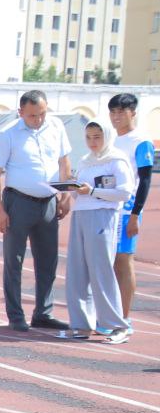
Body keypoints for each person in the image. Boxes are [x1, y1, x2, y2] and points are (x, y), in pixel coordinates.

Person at [0, 89, 73, 331]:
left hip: (48, 202)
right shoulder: (7, 135)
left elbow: (64, 162)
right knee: (14, 260)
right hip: (18, 202)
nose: (39, 120)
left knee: (48, 260)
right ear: (21, 112)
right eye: (33, 115)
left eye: (43, 114)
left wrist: (66, 194)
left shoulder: (56, 127)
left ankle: (43, 313)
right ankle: (16, 315)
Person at [58, 120, 133, 343]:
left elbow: (125, 192)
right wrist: (71, 187)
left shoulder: (116, 160)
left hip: (102, 216)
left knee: (101, 271)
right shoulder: (84, 161)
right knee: (77, 271)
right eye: (89, 137)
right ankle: (81, 325)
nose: (93, 142)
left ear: (107, 136)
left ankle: (117, 326)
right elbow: (80, 192)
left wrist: (93, 191)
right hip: (81, 215)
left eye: (97, 137)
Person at [107, 92, 153, 334]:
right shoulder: (110, 141)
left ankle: (124, 318)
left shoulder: (141, 141)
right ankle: (112, 315)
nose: (116, 117)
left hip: (127, 209)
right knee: (110, 261)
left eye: (121, 112)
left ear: (132, 113)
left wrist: (136, 214)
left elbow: (145, 179)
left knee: (124, 261)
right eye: (112, 112)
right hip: (108, 208)